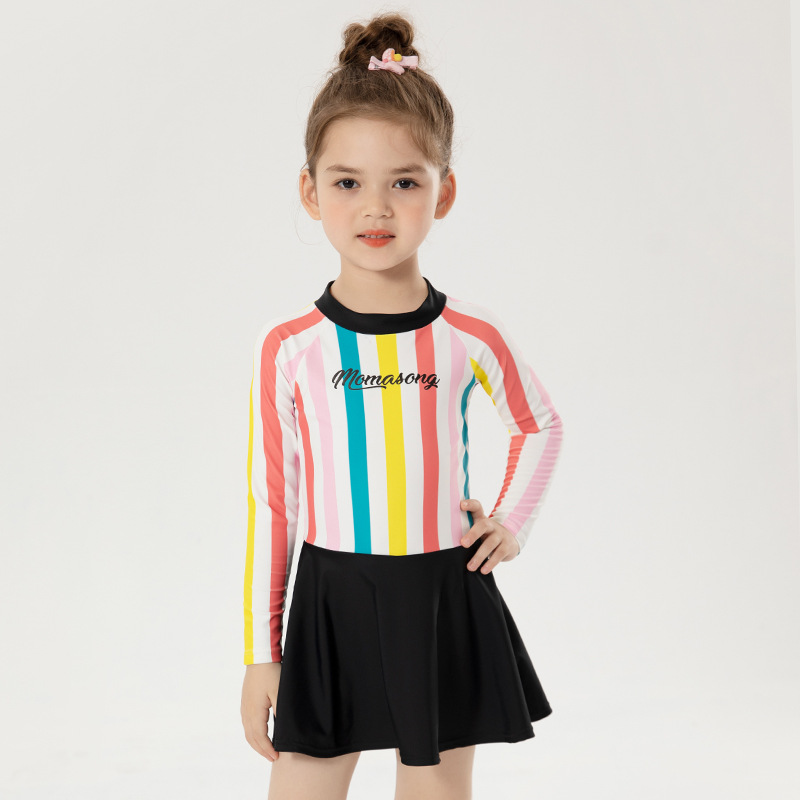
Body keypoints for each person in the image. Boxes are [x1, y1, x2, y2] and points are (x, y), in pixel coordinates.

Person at [240, 11, 565, 800]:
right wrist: (261, 652)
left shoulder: (469, 335)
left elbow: (539, 424)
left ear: (443, 192)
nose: (376, 208)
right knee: (304, 783)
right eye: (348, 182)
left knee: (436, 785)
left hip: (442, 596)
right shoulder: (291, 347)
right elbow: (273, 503)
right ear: (311, 191)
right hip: (330, 599)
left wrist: (510, 521)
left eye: (405, 183)